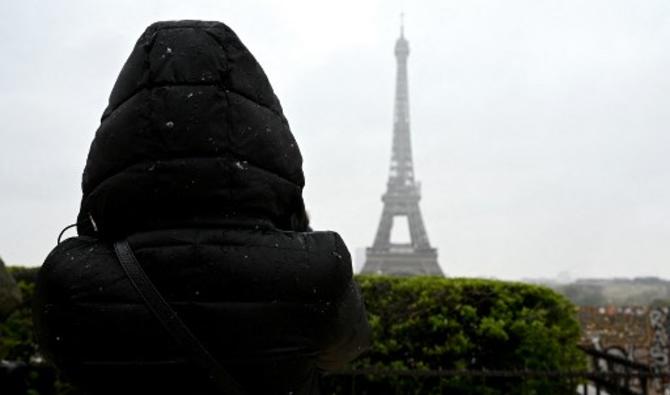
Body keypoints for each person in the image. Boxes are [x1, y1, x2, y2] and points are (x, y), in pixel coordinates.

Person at [33, 20, 370, 395]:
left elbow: (60, 356)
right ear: (266, 136)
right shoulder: (318, 269)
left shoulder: (71, 278)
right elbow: (342, 352)